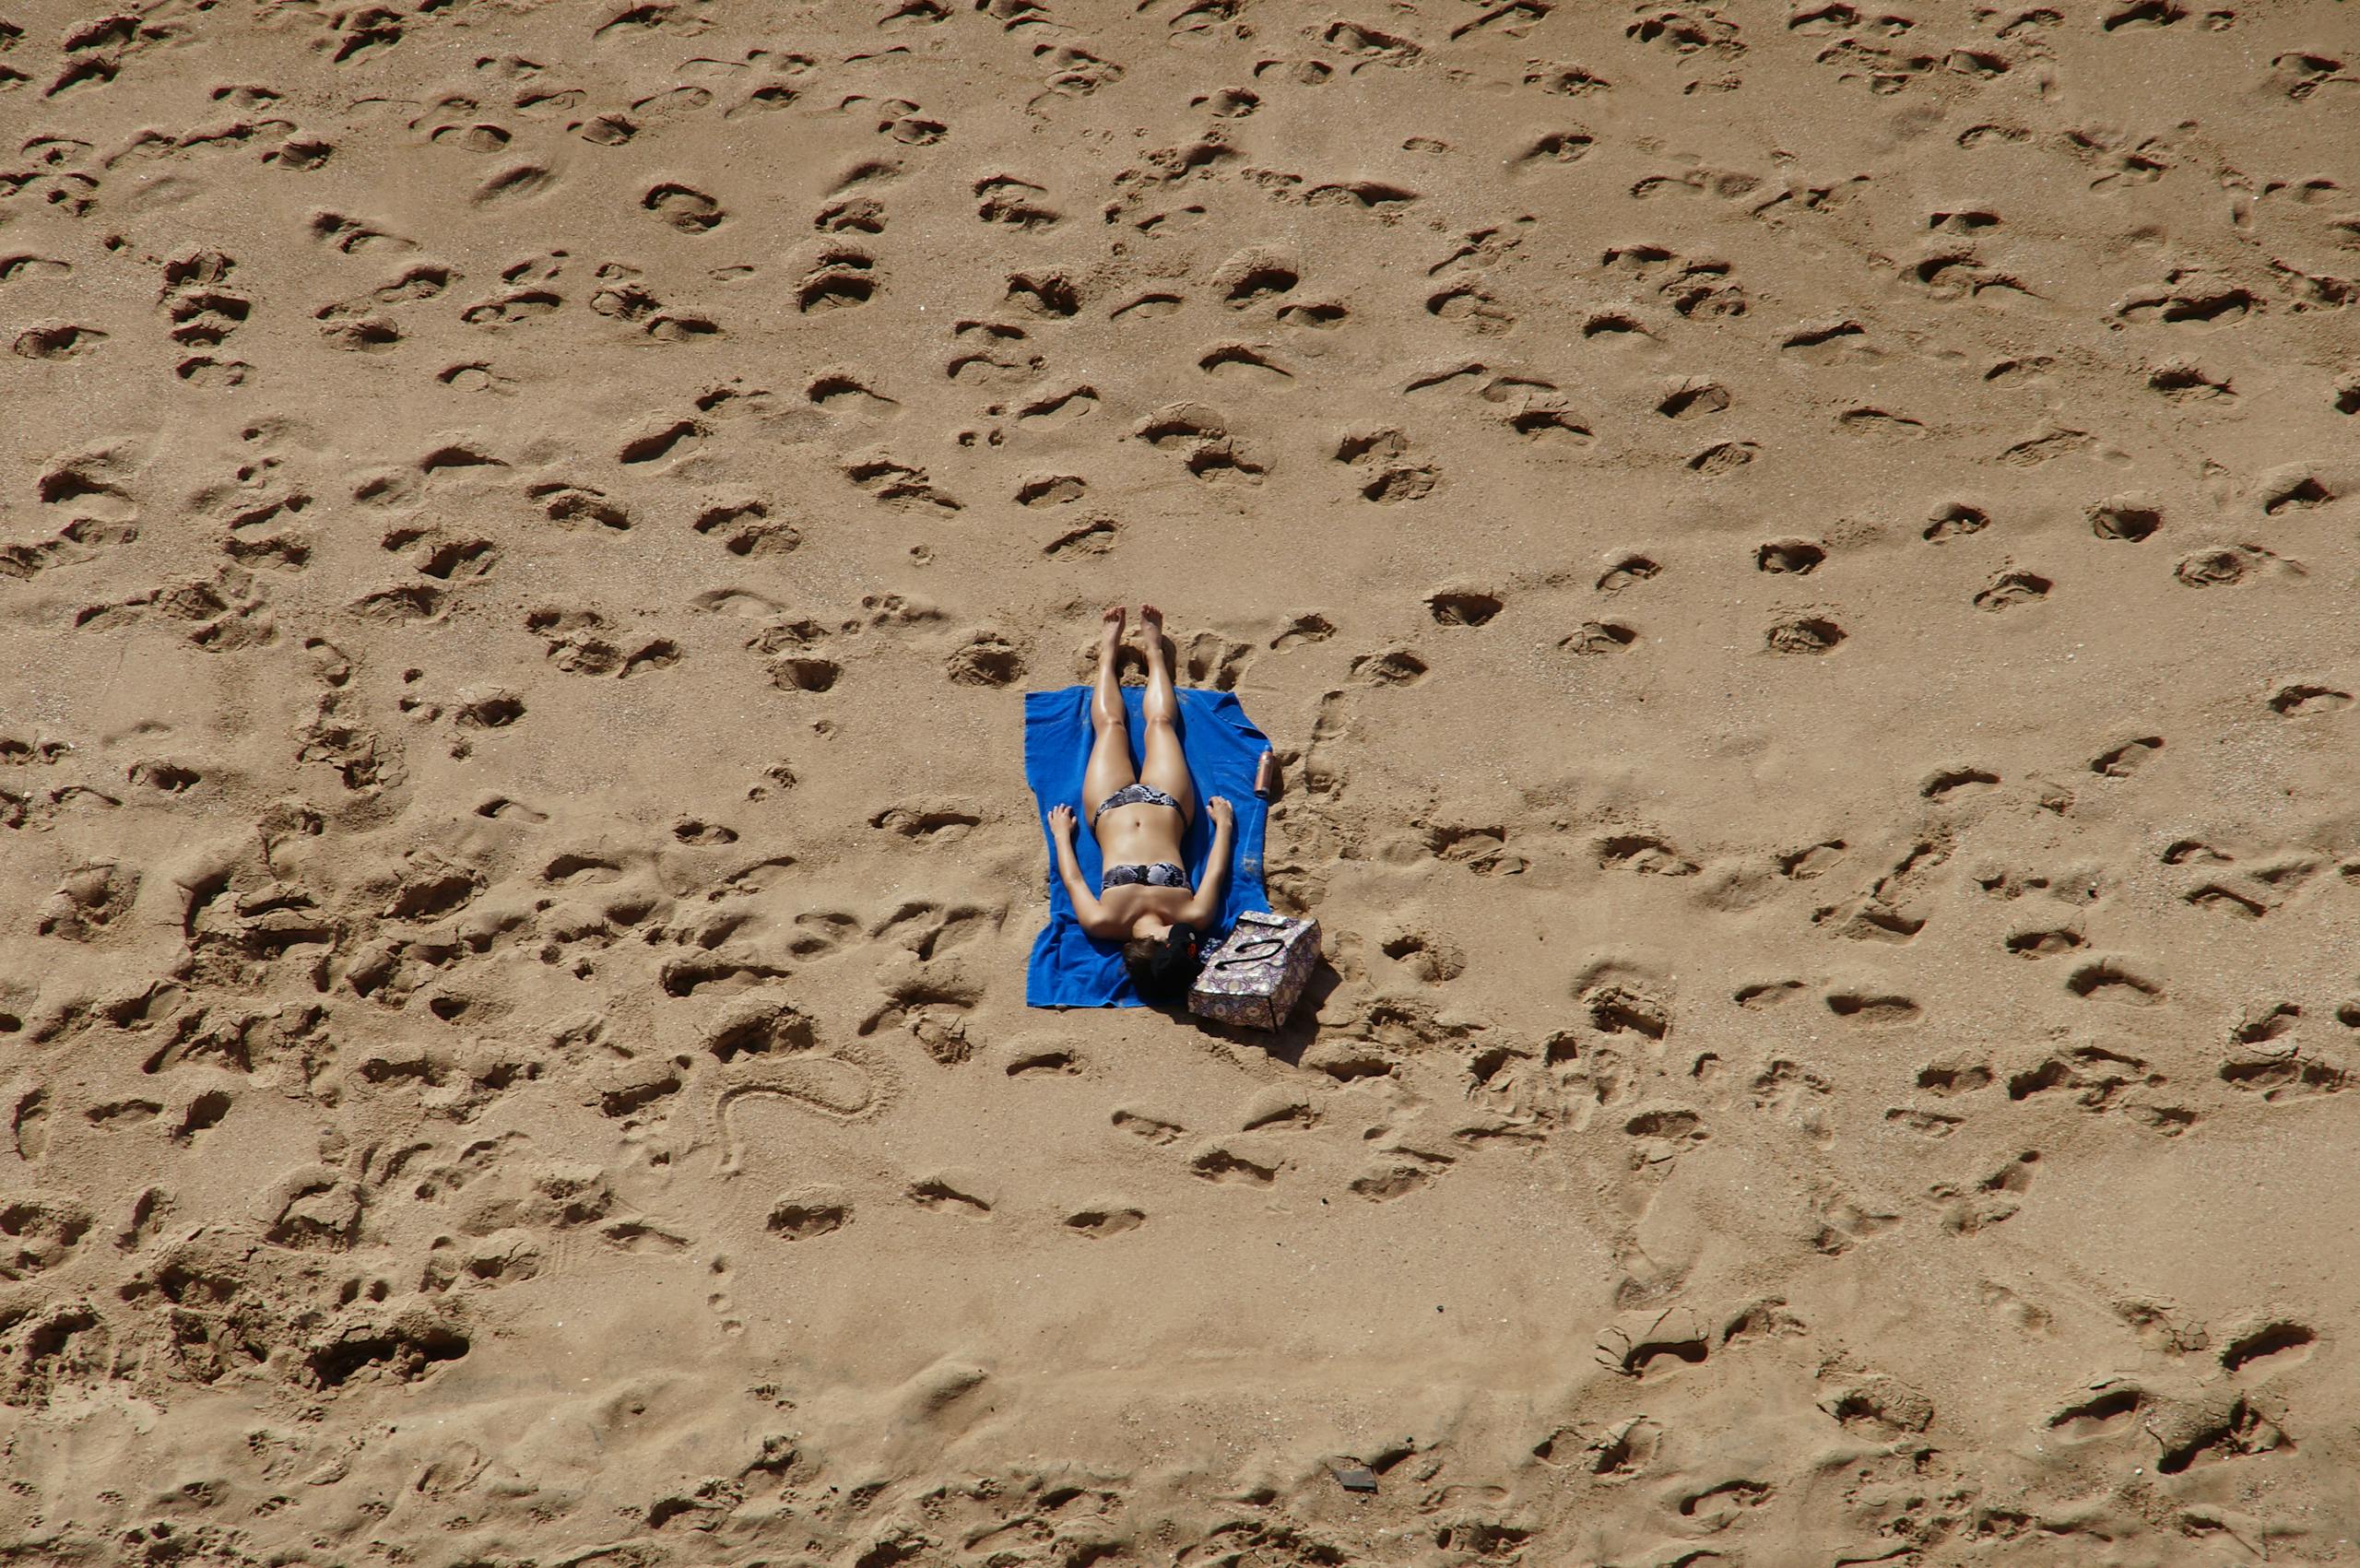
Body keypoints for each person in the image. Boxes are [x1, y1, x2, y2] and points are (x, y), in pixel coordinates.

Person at [1046, 604, 1235, 1006]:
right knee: (1161, 725)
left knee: (1110, 727)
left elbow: (1075, 879)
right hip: (1168, 803)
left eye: (1179, 946)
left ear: (1157, 948)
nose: (1190, 942)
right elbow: (1215, 871)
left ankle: (1108, 654)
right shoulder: (1193, 917)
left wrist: (1062, 836)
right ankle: (1154, 654)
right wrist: (1224, 828)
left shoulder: (1103, 922)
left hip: (1107, 806)